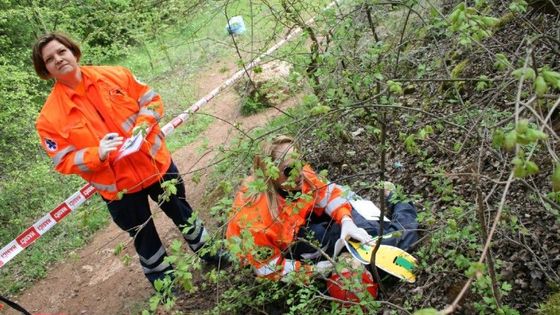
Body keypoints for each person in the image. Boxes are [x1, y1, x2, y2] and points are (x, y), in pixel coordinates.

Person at [32, 32, 226, 288]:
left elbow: (152, 100)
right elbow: (63, 160)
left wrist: (142, 126)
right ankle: (164, 286)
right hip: (118, 189)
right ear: (45, 70)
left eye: (61, 52)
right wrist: (97, 154)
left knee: (183, 212)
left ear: (73, 52)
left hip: (155, 166)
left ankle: (212, 254)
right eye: (49, 59)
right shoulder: (48, 118)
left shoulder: (116, 75)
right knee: (143, 237)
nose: (58, 59)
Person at [225, 135, 418, 282]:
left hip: (304, 219)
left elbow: (329, 195)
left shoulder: (300, 173)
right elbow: (266, 268)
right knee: (366, 248)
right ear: (271, 175)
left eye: (300, 162)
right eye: (289, 171)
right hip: (285, 244)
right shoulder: (257, 219)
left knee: (368, 232)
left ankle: (398, 209)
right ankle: (402, 207)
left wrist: (346, 221)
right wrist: (315, 271)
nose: (299, 173)